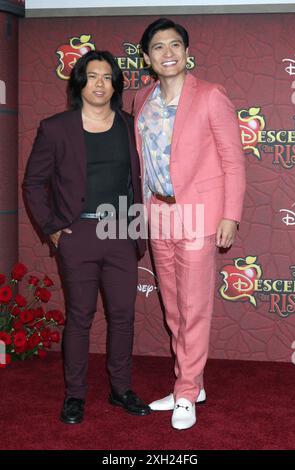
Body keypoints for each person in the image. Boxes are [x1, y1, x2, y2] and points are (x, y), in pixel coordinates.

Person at [23, 50, 151, 424]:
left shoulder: (130, 125)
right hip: (77, 232)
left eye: (107, 77)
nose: (99, 84)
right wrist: (53, 229)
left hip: (121, 230)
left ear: (116, 84)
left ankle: (120, 389)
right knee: (80, 316)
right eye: (92, 76)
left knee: (123, 316)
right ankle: (75, 395)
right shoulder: (56, 127)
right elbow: (33, 183)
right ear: (79, 82)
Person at [133, 18, 246, 430]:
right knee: (175, 309)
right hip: (158, 213)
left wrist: (230, 216)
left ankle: (185, 393)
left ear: (186, 51)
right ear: (147, 57)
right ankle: (190, 383)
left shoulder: (211, 96)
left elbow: (233, 161)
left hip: (200, 213)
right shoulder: (141, 100)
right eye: (159, 47)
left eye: (175, 45)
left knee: (195, 307)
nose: (168, 53)